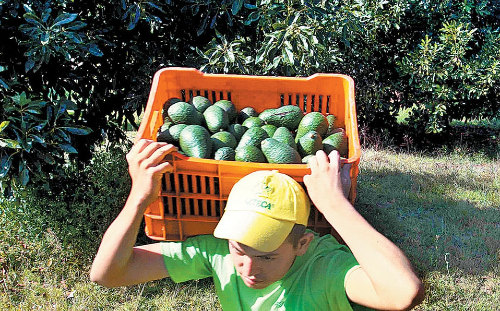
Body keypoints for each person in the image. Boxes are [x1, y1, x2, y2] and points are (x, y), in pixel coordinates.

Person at [90, 139, 424, 311]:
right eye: (240, 250)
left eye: (266, 256)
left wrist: (334, 205)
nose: (248, 269)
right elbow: (108, 274)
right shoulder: (218, 251)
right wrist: (139, 199)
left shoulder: (324, 268)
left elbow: (403, 293)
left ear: (302, 244)